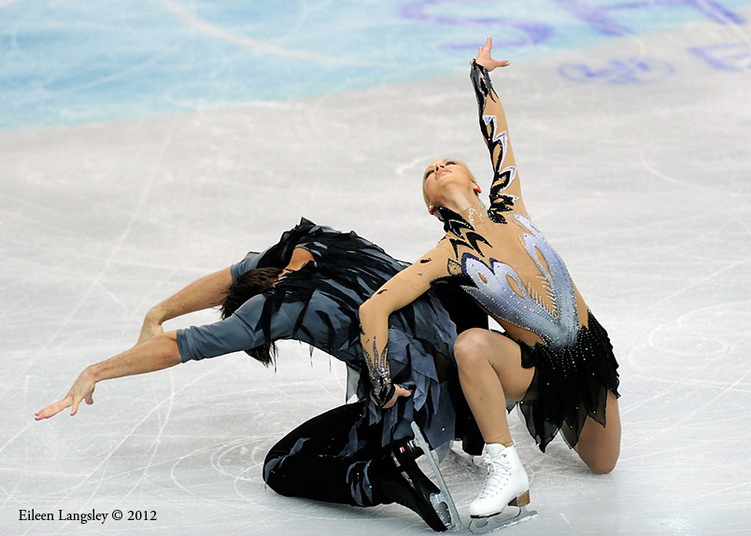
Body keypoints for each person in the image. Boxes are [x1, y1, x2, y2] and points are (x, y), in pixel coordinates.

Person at [35, 218, 472, 531]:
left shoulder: (274, 308)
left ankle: (387, 476)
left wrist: (96, 371)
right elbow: (234, 275)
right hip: (471, 361)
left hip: (414, 397)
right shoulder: (317, 241)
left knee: (282, 467)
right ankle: (476, 430)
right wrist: (160, 311)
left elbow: (180, 346)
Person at [358, 37, 621, 529]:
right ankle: (506, 468)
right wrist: (378, 381)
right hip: (534, 369)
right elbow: (373, 309)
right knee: (471, 344)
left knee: (604, 465)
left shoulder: (509, 203)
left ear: (477, 181)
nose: (439, 166)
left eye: (448, 162)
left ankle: (540, 429)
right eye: (429, 174)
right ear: (430, 206)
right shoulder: (446, 256)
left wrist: (480, 75)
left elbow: (498, 133)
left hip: (589, 357)